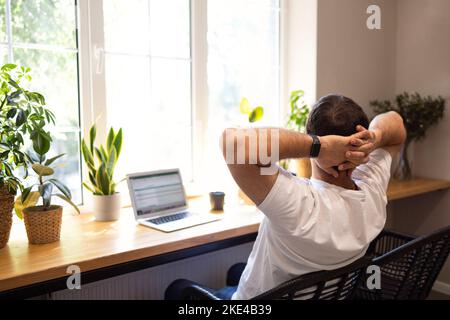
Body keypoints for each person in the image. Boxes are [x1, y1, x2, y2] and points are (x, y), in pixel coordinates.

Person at [218, 94, 407, 299]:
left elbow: (233, 143)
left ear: (312, 138)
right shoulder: (372, 189)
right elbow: (396, 124)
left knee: (180, 286)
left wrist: (320, 146)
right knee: (235, 271)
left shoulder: (297, 202)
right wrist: (373, 138)